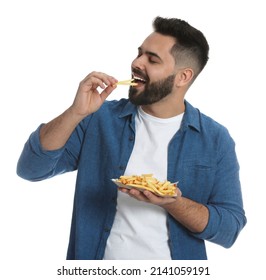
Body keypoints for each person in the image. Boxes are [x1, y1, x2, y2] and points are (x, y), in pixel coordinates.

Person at [17, 16, 247, 260]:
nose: (136, 63)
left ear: (183, 77)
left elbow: (229, 229)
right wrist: (76, 113)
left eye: (152, 59)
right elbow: (31, 169)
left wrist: (172, 203)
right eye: (139, 53)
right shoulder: (99, 118)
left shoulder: (215, 139)